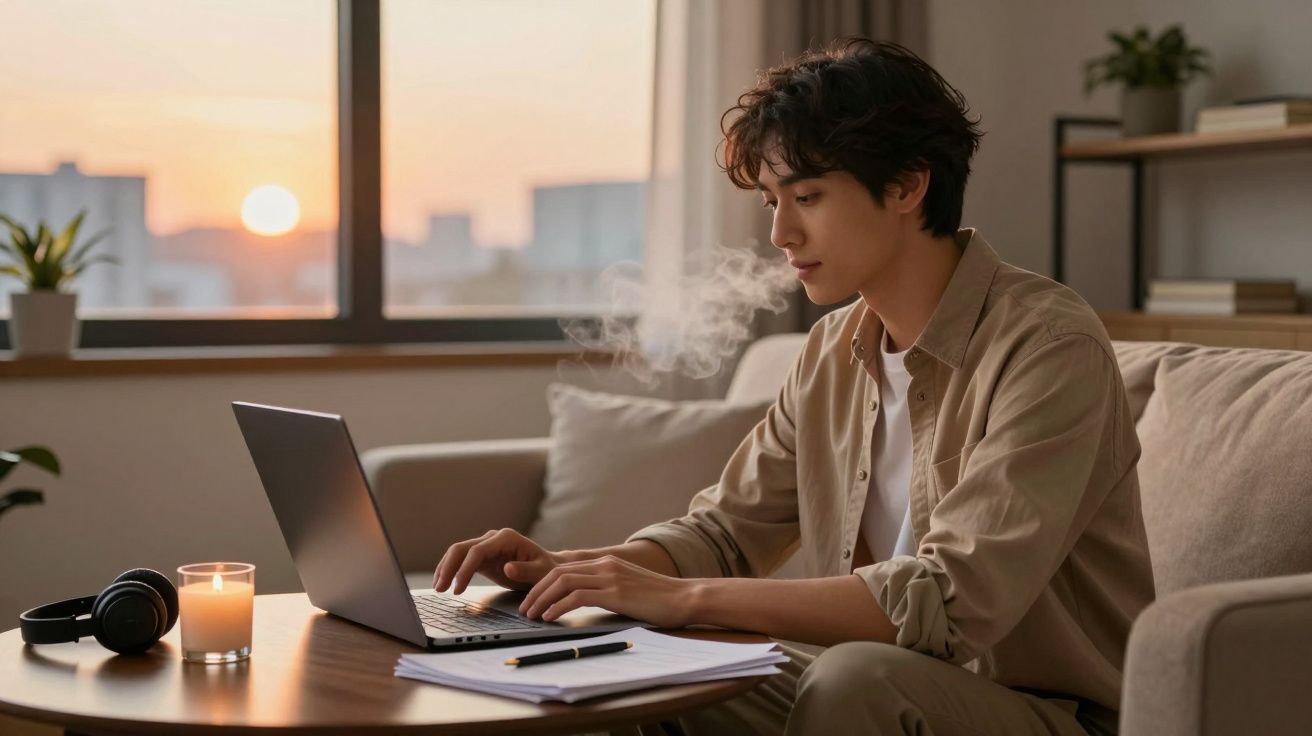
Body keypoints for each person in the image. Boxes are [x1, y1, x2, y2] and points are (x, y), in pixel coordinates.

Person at [433, 37, 1153, 736]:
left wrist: (681, 598)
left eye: (806, 196)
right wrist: (576, 570)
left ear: (907, 184)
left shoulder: (1048, 346)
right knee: (648, 673)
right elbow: (723, 534)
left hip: (1044, 713)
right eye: (770, 200)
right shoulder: (830, 352)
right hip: (879, 689)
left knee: (850, 679)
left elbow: (953, 599)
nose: (780, 233)